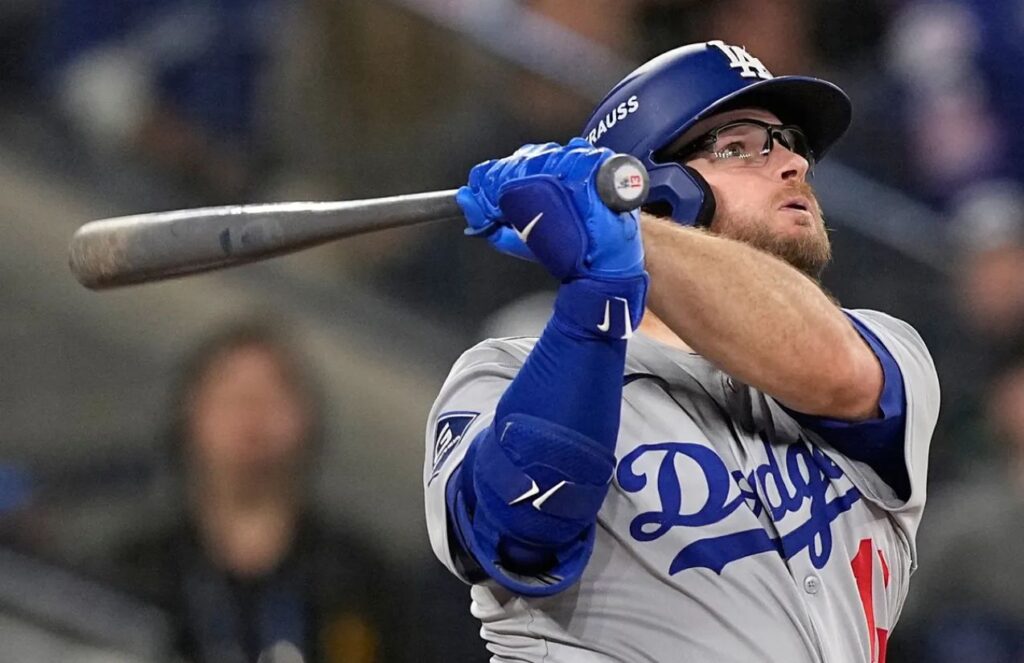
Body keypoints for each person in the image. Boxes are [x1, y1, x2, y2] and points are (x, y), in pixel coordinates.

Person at [423, 41, 940, 662]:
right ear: (658, 189)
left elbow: (834, 373)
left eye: (792, 142)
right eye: (738, 147)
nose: (794, 165)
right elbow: (520, 530)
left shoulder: (885, 350)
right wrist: (600, 290)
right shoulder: (502, 373)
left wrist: (617, 226)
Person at [111, 320, 400, 663]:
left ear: (308, 418)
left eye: (274, 397)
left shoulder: (358, 580)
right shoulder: (138, 573)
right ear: (189, 416)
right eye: (233, 399)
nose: (253, 418)